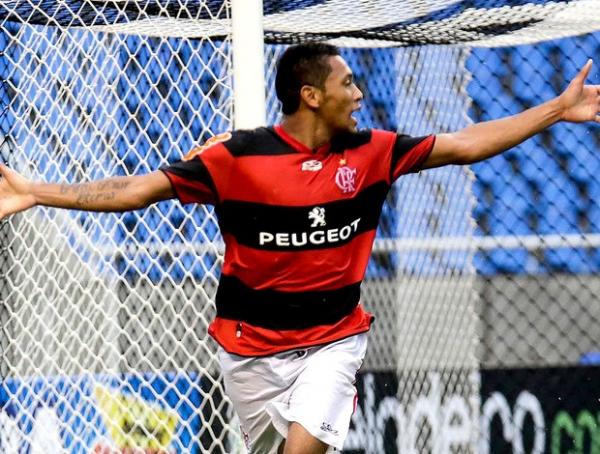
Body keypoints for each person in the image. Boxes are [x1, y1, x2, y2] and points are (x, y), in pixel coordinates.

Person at [0, 42, 598, 454]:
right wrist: (36, 193)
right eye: (347, 83)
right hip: (248, 351)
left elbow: (466, 143)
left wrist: (555, 110)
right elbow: (135, 190)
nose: (359, 94)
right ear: (311, 95)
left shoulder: (374, 152)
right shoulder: (235, 157)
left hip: (333, 342)